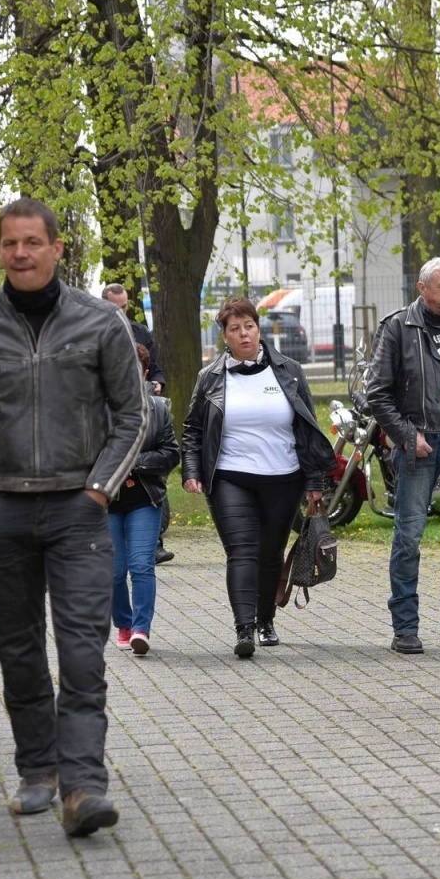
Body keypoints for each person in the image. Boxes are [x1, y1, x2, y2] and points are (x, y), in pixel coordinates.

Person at [0, 197, 147, 837]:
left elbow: (132, 416)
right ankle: (36, 770)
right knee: (20, 650)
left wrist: (100, 490)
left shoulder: (101, 323)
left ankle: (83, 788)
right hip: (3, 511)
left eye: (32, 242)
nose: (20, 253)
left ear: (57, 248)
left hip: (79, 511)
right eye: (9, 243)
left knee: (82, 654)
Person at [182, 296, 334, 657]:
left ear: (258, 329)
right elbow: (192, 429)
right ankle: (244, 629)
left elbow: (307, 429)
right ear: (225, 337)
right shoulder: (210, 377)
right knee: (242, 551)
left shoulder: (289, 371)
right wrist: (191, 471)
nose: (244, 334)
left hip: (283, 478)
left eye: (249, 326)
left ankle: (266, 620)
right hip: (230, 476)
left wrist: (314, 483)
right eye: (235, 329)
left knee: (270, 553)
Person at [364, 256, 440, 655]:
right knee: (409, 536)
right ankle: (405, 627)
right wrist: (405, 435)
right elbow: (377, 394)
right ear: (422, 288)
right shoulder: (398, 328)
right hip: (418, 443)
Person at [110, 343, 180, 656]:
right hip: (107, 500)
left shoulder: (159, 409)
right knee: (112, 571)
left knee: (141, 566)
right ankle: (123, 622)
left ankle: (140, 629)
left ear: (144, 372)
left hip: (144, 498)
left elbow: (171, 453)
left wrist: (136, 461)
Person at [102, 282, 175, 565]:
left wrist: (157, 382)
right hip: (108, 406)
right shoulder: (94, 332)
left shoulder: (141, 333)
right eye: (114, 308)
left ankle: (153, 541)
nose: (120, 313)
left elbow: (155, 367)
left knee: (151, 467)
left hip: (142, 405)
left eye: (124, 307)